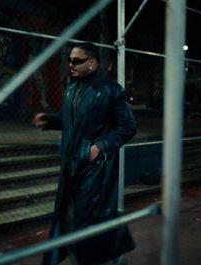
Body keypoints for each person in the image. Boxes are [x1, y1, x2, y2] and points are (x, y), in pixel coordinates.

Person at [32, 42, 137, 265]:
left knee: (89, 217)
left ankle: (103, 259)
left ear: (92, 64)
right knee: (73, 217)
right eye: (69, 60)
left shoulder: (110, 90)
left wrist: (99, 147)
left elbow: (128, 126)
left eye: (77, 61)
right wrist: (50, 121)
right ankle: (103, 257)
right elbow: (74, 122)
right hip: (71, 165)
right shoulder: (72, 89)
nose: (70, 64)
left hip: (96, 168)